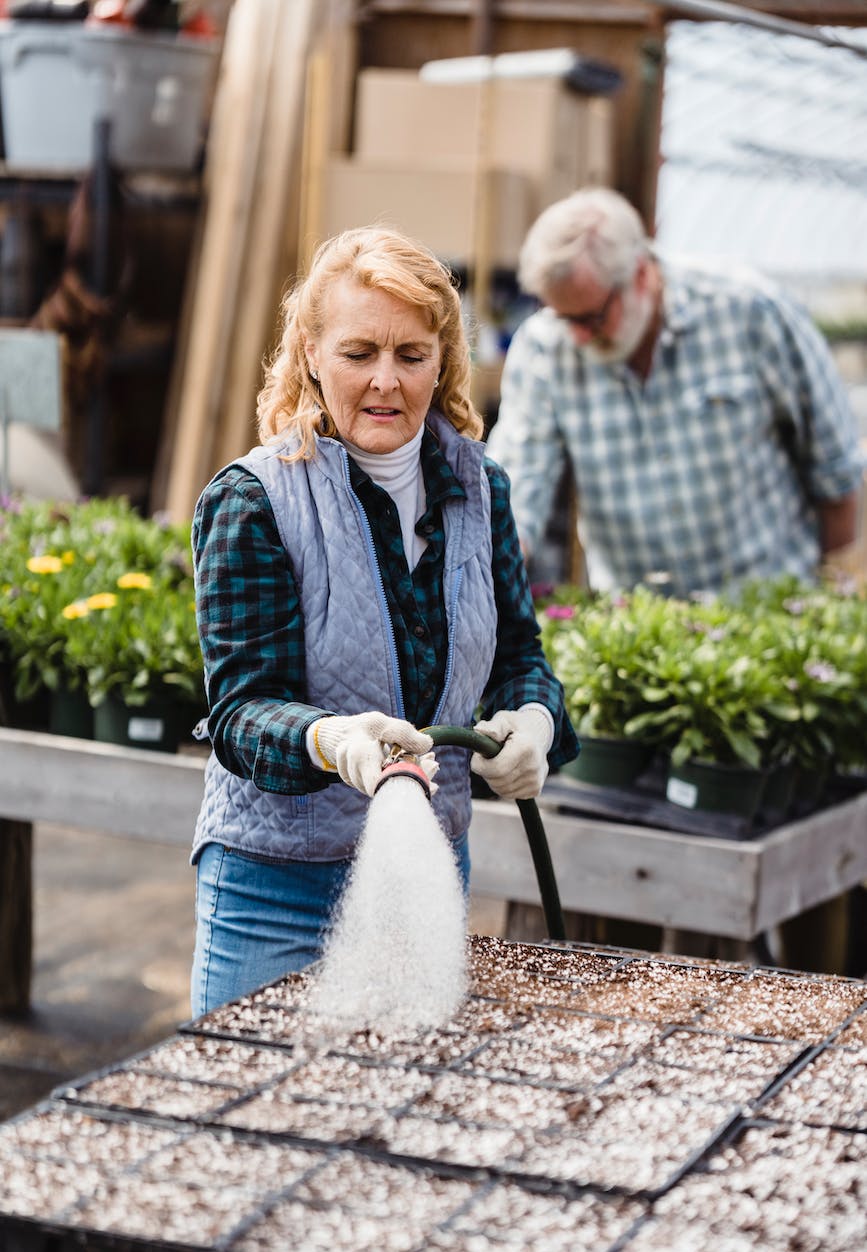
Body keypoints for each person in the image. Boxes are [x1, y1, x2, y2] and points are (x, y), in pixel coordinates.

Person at [189, 225, 578, 1016]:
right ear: (309, 354)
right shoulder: (254, 499)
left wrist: (535, 717)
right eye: (358, 352)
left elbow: (517, 656)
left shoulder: (481, 490)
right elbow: (239, 709)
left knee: (392, 1116)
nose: (385, 383)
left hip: (425, 875)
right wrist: (332, 741)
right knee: (255, 1121)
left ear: (443, 360)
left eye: (410, 355)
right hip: (277, 888)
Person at [486, 186, 864, 597]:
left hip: (768, 614)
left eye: (592, 318)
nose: (578, 338)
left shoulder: (749, 313)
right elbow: (518, 483)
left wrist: (833, 601)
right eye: (563, 318)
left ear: (642, 275)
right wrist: (495, 562)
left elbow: (836, 471)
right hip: (643, 624)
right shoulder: (544, 347)